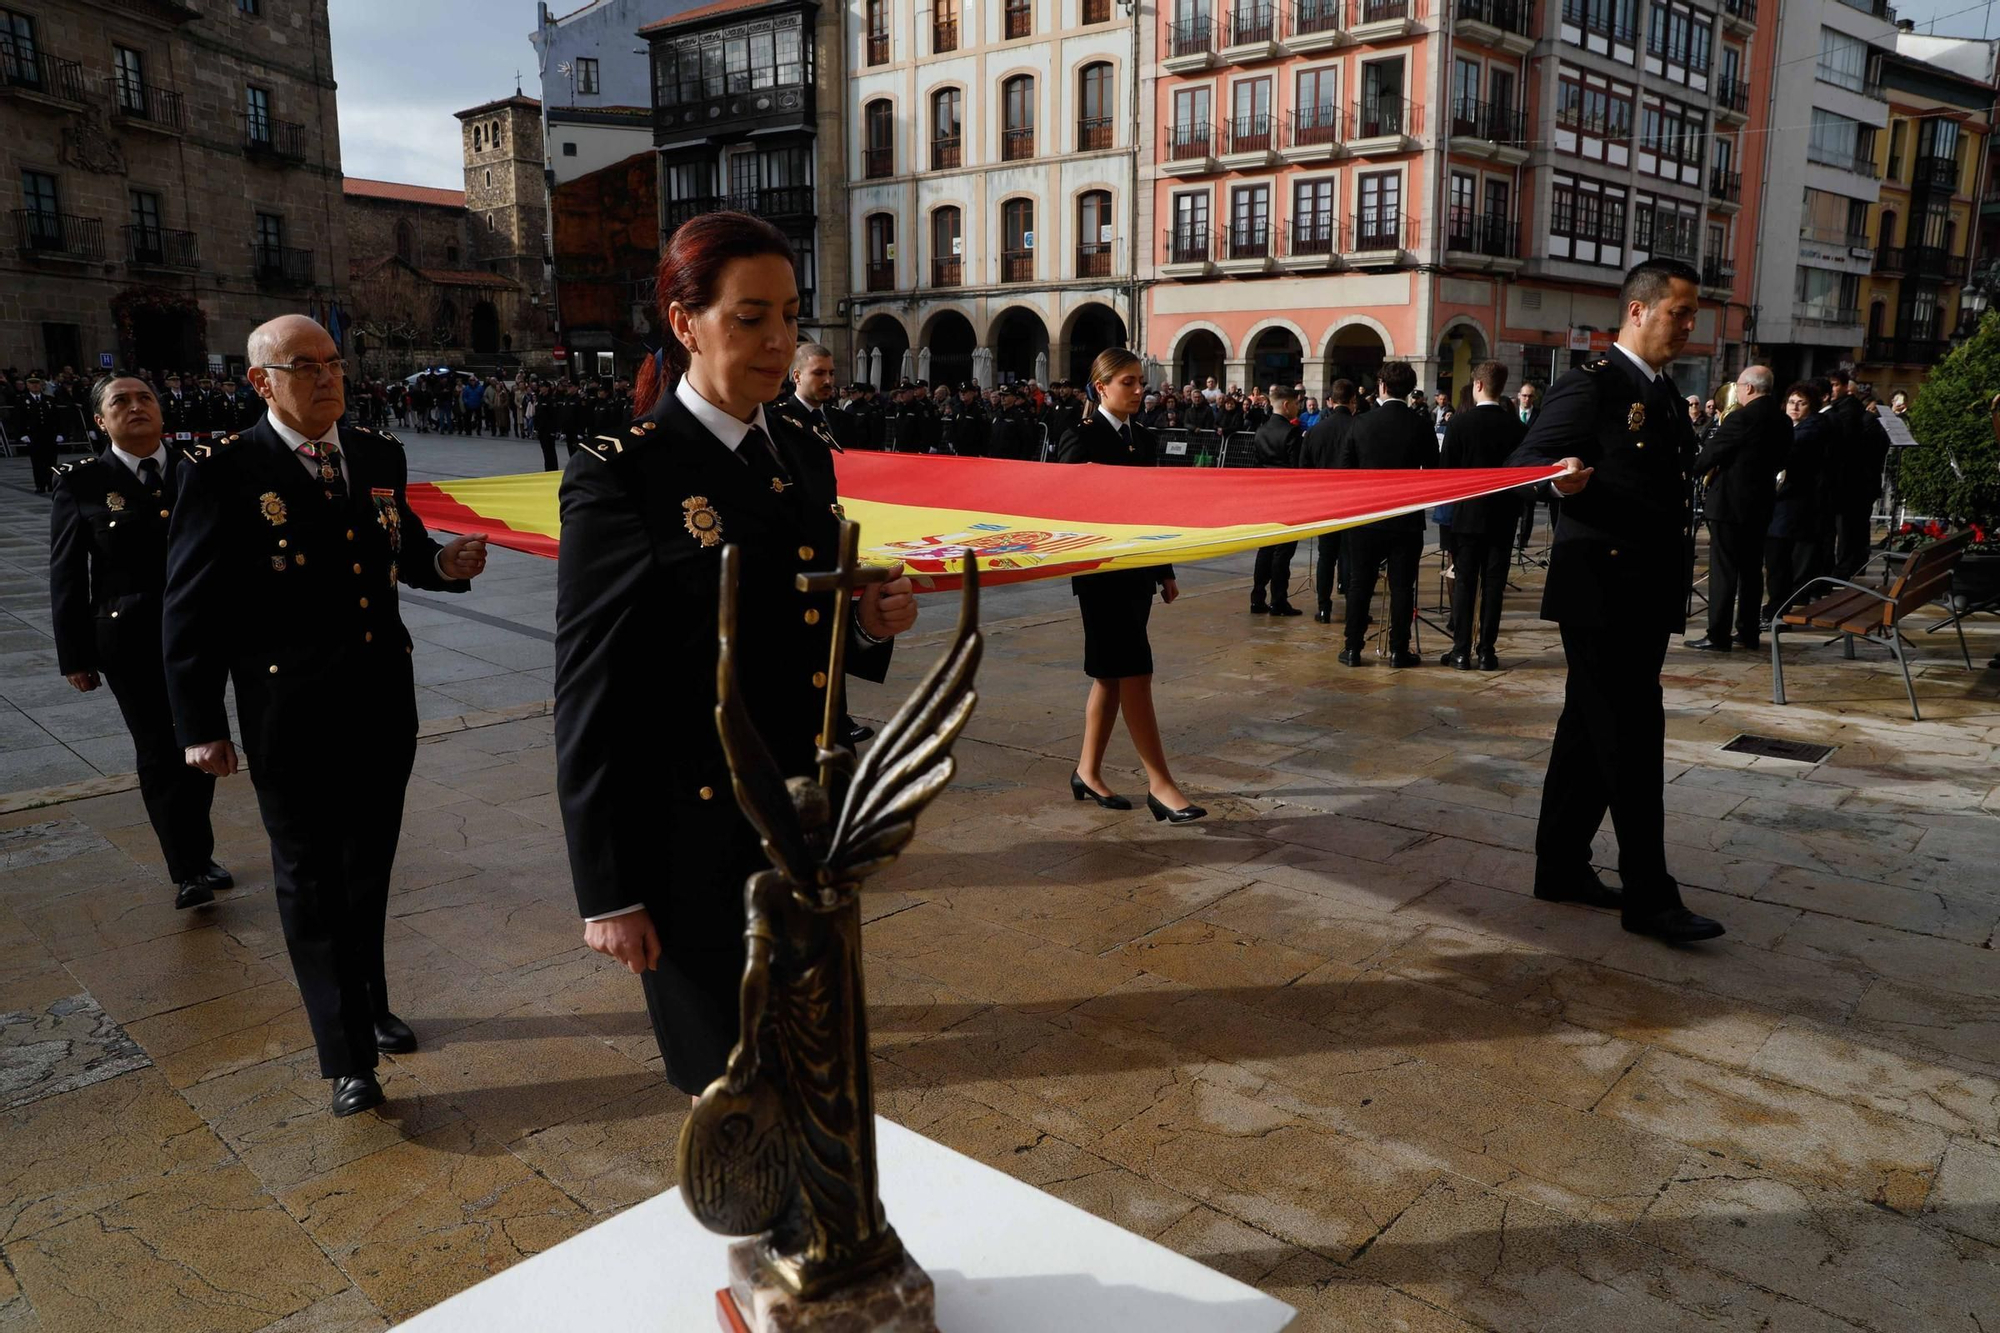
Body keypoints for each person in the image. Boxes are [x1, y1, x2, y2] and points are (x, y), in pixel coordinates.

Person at [553, 214, 914, 1099]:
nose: (779, 340)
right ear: (686, 323)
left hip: (805, 827)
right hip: (694, 843)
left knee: (814, 1069)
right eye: (750, 317)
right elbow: (590, 688)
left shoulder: (798, 451)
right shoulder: (624, 474)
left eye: (789, 316)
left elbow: (801, 626)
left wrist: (867, 622)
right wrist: (608, 890)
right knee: (733, 1092)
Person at [162, 315, 491, 1117]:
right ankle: (346, 1055)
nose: (326, 378)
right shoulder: (224, 471)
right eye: (303, 366)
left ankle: (368, 1001)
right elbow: (189, 608)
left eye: (335, 363)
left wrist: (443, 563)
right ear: (260, 381)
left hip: (382, 700)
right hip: (290, 713)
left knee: (366, 867)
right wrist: (199, 724)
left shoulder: (377, 453)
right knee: (309, 880)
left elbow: (399, 546)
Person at [1505, 258, 1725, 945]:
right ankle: (1650, 896)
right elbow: (1522, 467)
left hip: (1643, 591)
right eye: (1678, 313)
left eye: (1693, 314)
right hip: (1601, 589)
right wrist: (1557, 480)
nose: (1689, 326)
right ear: (1637, 310)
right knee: (1633, 737)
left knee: (1587, 730)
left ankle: (1561, 865)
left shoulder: (1660, 393)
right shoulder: (1591, 386)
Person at [50, 375, 229, 910]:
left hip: (200, 634)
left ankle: (201, 851)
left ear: (162, 411)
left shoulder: (199, 467)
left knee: (202, 736)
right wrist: (75, 655)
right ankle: (187, 868)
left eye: (145, 398)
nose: (136, 407)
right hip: (130, 638)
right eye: (120, 402)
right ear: (101, 421)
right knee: (158, 749)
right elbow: (66, 572)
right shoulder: (82, 482)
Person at [1059, 350, 1205, 824]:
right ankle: (1161, 785)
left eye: (1141, 381)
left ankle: (1087, 770)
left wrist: (1163, 569)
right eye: (1129, 382)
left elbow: (1150, 510)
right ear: (1101, 387)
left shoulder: (1143, 437)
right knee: (1135, 672)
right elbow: (1067, 510)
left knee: (1111, 675)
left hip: (1137, 574)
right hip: (1102, 577)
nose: (1140, 390)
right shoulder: (1079, 437)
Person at [1335, 360, 1434, 667]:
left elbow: (1345, 470)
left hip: (1368, 514)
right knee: (1403, 586)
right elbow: (1432, 471)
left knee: (1359, 583)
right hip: (1405, 515)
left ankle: (1352, 648)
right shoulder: (1420, 424)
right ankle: (1398, 650)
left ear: (1382, 386)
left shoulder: (1361, 423)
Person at [1687, 366, 1787, 652]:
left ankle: (1717, 634)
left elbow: (1710, 455)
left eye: (1740, 386)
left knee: (1724, 571)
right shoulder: (1781, 421)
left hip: (1729, 504)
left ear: (1751, 388)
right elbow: (1781, 459)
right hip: (1761, 503)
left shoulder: (1741, 417)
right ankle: (1747, 632)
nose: (1738, 391)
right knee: (1752, 571)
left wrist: (1695, 469)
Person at [1437, 360, 1526, 670]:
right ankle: (1487, 650)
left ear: (1477, 385)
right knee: (1493, 585)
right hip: (1503, 516)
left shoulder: (1459, 424)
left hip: (1467, 515)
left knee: (1464, 584)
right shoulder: (1517, 427)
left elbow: (1446, 472)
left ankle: (1460, 650)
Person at [1763, 381, 1831, 623]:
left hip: (1791, 507)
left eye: (1801, 403)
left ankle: (1776, 611)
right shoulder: (1795, 427)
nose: (1795, 407)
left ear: (1811, 406)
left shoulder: (1810, 430)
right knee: (1778, 563)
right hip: (1787, 506)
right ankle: (1777, 607)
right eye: (1792, 402)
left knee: (1779, 562)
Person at [1301, 378, 1356, 623]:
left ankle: (1324, 607)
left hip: (1325, 501)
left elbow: (1304, 470)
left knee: (1326, 556)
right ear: (1353, 401)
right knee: (1351, 555)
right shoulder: (1359, 427)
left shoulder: (1315, 431)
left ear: (1330, 401)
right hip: (1354, 501)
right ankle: (1355, 605)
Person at [1249, 385, 1304, 615]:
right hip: (1288, 498)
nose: (1298, 408)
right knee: (1283, 552)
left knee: (1266, 547)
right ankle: (1279, 599)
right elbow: (1297, 469)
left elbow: (1256, 465)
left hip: (1266, 496)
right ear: (1286, 405)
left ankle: (1257, 596)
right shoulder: (1291, 433)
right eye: (1296, 404)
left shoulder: (1260, 431)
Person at [18, 373, 64, 494]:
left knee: (51, 461)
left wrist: (60, 433)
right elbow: (19, 418)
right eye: (32, 384)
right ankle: (40, 485)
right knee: (37, 462)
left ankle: (51, 484)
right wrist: (23, 434)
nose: (35, 386)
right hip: (34, 436)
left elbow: (57, 418)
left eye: (37, 383)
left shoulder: (49, 400)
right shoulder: (23, 400)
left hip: (49, 435)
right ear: (27, 385)